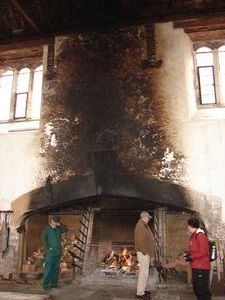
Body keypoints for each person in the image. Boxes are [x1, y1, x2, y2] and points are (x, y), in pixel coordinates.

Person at [184, 217, 211, 300]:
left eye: (188, 226)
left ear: (191, 226)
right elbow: (195, 249)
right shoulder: (194, 235)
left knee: (201, 290)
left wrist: (191, 257)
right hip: (196, 266)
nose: (187, 227)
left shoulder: (200, 235)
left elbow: (203, 252)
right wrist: (188, 254)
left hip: (201, 267)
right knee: (197, 289)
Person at [42, 214, 68, 291]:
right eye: (55, 222)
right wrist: (48, 247)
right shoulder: (46, 229)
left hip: (58, 252)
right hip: (50, 253)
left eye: (57, 222)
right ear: (52, 221)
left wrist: (60, 224)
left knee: (56, 269)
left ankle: (54, 284)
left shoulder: (58, 228)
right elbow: (43, 239)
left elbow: (66, 229)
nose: (57, 223)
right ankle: (46, 285)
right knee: (48, 268)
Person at [134, 211, 155, 299]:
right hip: (143, 253)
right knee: (143, 273)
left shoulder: (143, 225)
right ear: (144, 217)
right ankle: (140, 293)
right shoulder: (140, 226)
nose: (148, 219)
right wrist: (146, 253)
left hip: (145, 253)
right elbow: (140, 241)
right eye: (147, 218)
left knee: (145, 273)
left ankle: (142, 290)